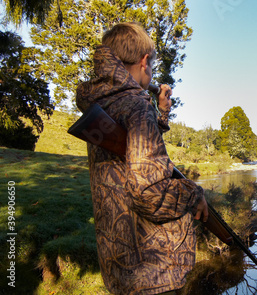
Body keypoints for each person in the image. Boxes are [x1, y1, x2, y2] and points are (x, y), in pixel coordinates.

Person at [76, 22, 208, 295]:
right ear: (144, 61)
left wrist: (160, 114)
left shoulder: (104, 103)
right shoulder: (135, 105)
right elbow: (148, 191)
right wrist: (193, 193)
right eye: (153, 66)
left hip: (120, 261)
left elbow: (131, 150)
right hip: (154, 269)